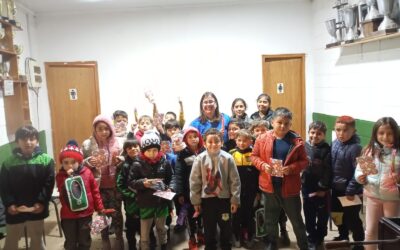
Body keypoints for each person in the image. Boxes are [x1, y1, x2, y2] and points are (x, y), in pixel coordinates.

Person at [251, 107, 309, 250]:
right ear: (272, 122)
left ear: (290, 124)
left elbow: (304, 161)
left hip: (290, 189)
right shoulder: (262, 138)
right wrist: (263, 165)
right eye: (279, 122)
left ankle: (304, 245)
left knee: (296, 221)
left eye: (286, 123)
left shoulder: (297, 141)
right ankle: (272, 243)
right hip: (269, 187)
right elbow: (254, 156)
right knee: (270, 219)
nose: (283, 126)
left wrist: (291, 169)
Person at [0, 125, 55, 250]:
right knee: (11, 241)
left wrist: (41, 202)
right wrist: (10, 204)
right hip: (14, 210)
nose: (28, 142)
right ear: (17, 141)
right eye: (23, 139)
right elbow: (4, 186)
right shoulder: (8, 163)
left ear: (37, 140)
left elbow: (48, 184)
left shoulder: (46, 160)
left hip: (36, 208)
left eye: (32, 138)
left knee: (36, 240)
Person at [190, 128, 241, 250]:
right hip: (207, 200)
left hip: (224, 199)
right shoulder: (199, 159)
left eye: (217, 141)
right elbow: (194, 181)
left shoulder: (228, 158)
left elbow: (235, 181)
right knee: (209, 227)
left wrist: (235, 200)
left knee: (226, 226)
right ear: (204, 143)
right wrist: (195, 201)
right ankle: (210, 246)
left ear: (222, 142)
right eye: (210, 142)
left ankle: (226, 246)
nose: (213, 144)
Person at [355, 117, 400, 250]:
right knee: (370, 230)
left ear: (396, 134)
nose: (385, 137)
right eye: (381, 133)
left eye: (389, 133)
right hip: (372, 196)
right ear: (375, 134)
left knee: (390, 233)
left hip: (392, 199)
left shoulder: (398, 153)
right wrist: (359, 177)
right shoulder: (368, 150)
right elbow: (359, 170)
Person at [82, 114, 124, 250]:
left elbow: (126, 157)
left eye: (106, 128)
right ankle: (104, 239)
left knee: (117, 213)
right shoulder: (87, 144)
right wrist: (88, 162)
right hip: (98, 186)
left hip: (115, 184)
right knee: (102, 214)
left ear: (111, 129)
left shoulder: (118, 142)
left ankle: (119, 238)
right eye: (100, 129)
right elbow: (80, 164)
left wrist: (121, 160)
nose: (104, 132)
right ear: (95, 129)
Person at [56, 140, 106, 250]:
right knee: (70, 241)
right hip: (68, 215)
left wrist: (100, 208)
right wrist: (68, 178)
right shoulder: (60, 176)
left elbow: (95, 192)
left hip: (85, 214)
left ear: (79, 162)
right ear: (62, 163)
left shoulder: (87, 173)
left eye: (73, 162)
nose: (69, 165)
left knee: (85, 240)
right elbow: (62, 192)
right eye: (66, 162)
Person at [128, 131, 173, 250]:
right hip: (145, 203)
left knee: (162, 229)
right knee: (144, 233)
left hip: (161, 202)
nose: (152, 153)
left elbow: (171, 178)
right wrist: (143, 183)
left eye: (155, 150)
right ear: (143, 151)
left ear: (159, 149)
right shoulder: (137, 164)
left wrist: (170, 188)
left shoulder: (165, 162)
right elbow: (131, 182)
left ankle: (164, 245)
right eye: (148, 151)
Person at [330, 116, 364, 248]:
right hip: (336, 188)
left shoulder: (356, 148)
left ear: (353, 131)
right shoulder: (335, 143)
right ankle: (343, 236)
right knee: (336, 215)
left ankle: (359, 243)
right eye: (338, 130)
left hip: (350, 191)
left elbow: (359, 172)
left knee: (353, 219)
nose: (341, 134)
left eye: (345, 131)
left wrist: (351, 190)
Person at [170, 126, 205, 249]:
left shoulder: (204, 150)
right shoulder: (182, 154)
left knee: (201, 214)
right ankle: (191, 238)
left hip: (203, 190)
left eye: (195, 136)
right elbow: (178, 174)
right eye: (190, 137)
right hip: (188, 191)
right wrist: (180, 193)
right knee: (190, 216)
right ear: (185, 139)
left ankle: (201, 233)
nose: (193, 139)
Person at [302, 121, 332, 248]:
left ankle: (320, 237)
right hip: (307, 188)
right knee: (309, 215)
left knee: (322, 216)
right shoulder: (304, 146)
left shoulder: (327, 150)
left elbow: (328, 171)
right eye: (312, 132)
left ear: (324, 135)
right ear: (308, 133)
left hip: (321, 190)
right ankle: (311, 237)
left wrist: (324, 188)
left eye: (319, 134)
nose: (315, 136)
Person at [230, 129, 259, 248]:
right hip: (235, 192)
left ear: (251, 141)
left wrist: (258, 191)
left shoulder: (254, 153)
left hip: (251, 191)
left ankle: (249, 234)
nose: (242, 143)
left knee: (249, 213)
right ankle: (236, 234)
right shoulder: (231, 153)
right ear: (235, 140)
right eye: (239, 140)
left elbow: (259, 174)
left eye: (245, 140)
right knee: (236, 214)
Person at [117, 139, 141, 250]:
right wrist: (131, 195)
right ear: (126, 150)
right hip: (131, 201)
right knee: (131, 225)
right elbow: (120, 184)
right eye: (129, 147)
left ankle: (144, 243)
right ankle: (132, 246)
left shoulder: (144, 162)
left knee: (144, 225)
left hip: (144, 200)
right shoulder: (124, 165)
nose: (133, 149)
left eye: (135, 146)